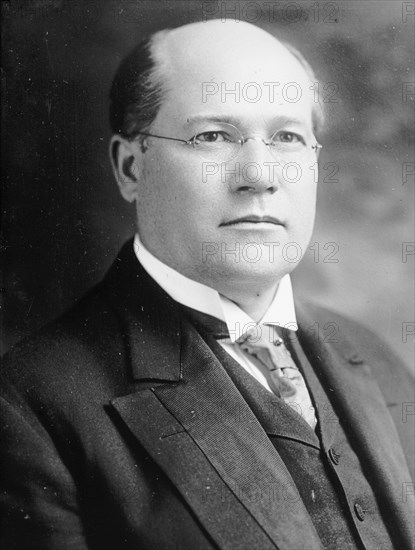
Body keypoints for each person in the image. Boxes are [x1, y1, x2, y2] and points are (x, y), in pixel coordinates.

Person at [1, 19, 414, 550]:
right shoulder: (31, 405)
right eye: (213, 136)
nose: (260, 174)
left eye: (287, 136)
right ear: (131, 168)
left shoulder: (374, 358)